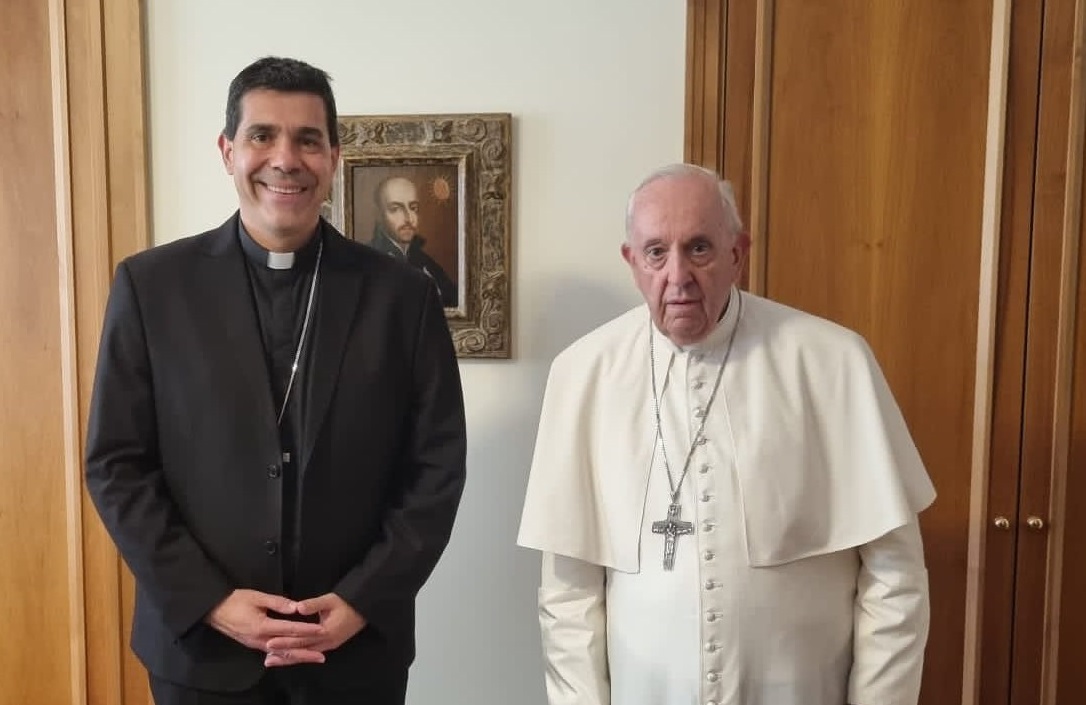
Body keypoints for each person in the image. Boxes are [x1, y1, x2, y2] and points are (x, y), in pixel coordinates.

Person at [85, 56, 467, 705]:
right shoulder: (152, 287)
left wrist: (361, 598)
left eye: (308, 139)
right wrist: (211, 601)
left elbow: (435, 467)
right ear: (228, 150)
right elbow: (117, 464)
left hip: (353, 652)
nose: (285, 158)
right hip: (200, 652)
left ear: (335, 156)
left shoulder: (402, 297)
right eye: (263, 135)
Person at [517, 163, 935, 705]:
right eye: (656, 253)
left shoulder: (833, 361)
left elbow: (895, 577)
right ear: (631, 261)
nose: (677, 277)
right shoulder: (583, 374)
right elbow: (568, 596)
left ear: (738, 253)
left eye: (698, 249)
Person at [368, 175, 458, 307]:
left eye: (413, 208)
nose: (408, 218)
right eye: (395, 209)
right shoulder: (368, 261)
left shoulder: (426, 263)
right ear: (379, 215)